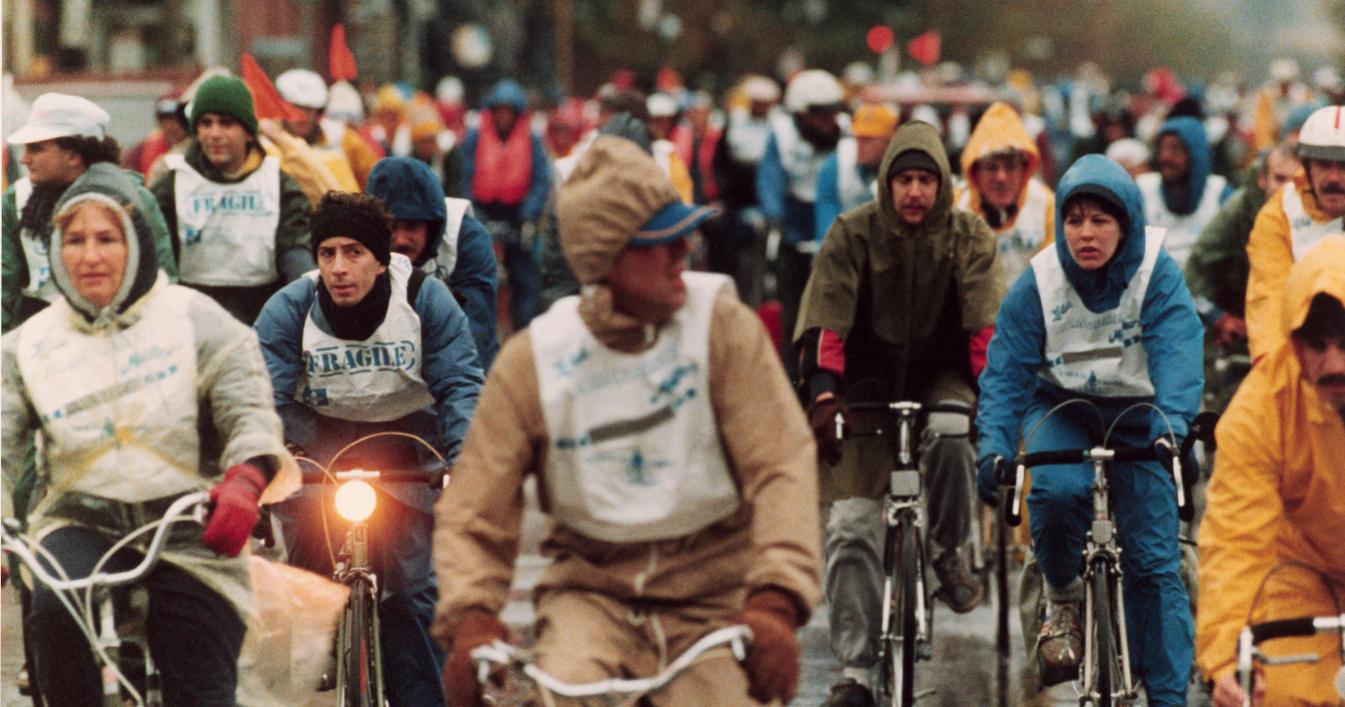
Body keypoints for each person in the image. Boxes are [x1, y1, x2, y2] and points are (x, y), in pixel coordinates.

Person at [434, 136, 821, 707]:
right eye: (661, 241)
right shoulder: (534, 360)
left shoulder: (723, 328)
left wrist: (776, 601)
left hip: (714, 596)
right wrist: (471, 618)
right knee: (564, 694)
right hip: (590, 596)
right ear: (607, 257)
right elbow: (474, 508)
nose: (684, 251)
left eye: (682, 235)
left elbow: (782, 463)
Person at [1, 163, 296, 705]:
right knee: (54, 609)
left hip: (187, 520)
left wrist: (246, 479)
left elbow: (248, 410)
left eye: (106, 238)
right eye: (75, 240)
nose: (89, 256)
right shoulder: (28, 344)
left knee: (199, 666)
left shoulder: (197, 320)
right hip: (81, 518)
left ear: (136, 242)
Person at [975, 155, 1203, 704]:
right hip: (1063, 408)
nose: (1086, 233)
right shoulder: (1041, 280)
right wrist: (995, 450)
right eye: (1074, 220)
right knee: (1055, 492)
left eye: (1100, 220)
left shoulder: (1156, 271)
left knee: (1154, 564)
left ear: (1125, 224)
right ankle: (1062, 598)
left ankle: (1168, 696)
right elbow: (1006, 373)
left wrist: (1174, 428)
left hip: (1141, 413)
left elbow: (1177, 350)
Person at [796, 120, 1004, 705]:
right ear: (886, 183)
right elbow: (826, 319)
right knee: (852, 525)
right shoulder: (851, 233)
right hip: (862, 384)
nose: (915, 193)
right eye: (904, 180)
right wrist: (823, 394)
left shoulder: (970, 236)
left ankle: (947, 549)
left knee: (950, 431)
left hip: (943, 375)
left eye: (926, 181)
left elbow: (987, 328)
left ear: (942, 185)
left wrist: (994, 400)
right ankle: (856, 671)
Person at [254, 191, 482, 707]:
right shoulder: (289, 309)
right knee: (308, 568)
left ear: (381, 260)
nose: (339, 268)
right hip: (319, 441)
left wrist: (464, 464)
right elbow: (257, 397)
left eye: (354, 252)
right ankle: (327, 650)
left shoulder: (425, 300)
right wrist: (265, 461)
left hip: (408, 443)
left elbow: (462, 386)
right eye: (327, 253)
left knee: (414, 589)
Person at [1197, 236, 1345, 707]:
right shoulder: (1260, 408)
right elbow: (1235, 540)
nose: (1333, 364)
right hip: (1301, 574)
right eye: (1317, 345)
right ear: (1292, 340)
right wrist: (1226, 655)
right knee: (1275, 691)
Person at [3, 92, 178, 332]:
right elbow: (4, 289)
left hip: (121, 332)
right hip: (40, 340)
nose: (24, 159)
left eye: (36, 149)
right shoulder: (15, 201)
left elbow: (162, 279)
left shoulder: (134, 198)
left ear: (73, 155)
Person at [150, 74, 314, 324]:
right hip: (190, 317)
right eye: (205, 123)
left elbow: (297, 256)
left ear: (249, 132)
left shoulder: (277, 184)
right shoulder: (172, 184)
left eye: (226, 123)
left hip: (262, 317)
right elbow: (156, 259)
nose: (214, 134)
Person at [1186, 142, 1301, 410]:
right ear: (1262, 179)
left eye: (1294, 181)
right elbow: (1189, 279)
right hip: (1242, 325)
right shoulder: (1237, 213)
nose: (1286, 189)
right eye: (1279, 179)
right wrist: (1217, 317)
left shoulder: (1320, 213)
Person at [366, 156, 499, 370]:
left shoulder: (467, 239)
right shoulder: (361, 242)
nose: (400, 240)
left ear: (432, 225)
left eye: (411, 226)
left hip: (460, 357)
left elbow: (477, 325)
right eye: (391, 226)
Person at [758, 68, 845, 371]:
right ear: (799, 114)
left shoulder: (846, 134)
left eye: (831, 112)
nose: (826, 120)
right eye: (817, 113)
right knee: (793, 313)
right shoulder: (781, 134)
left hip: (837, 225)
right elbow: (769, 178)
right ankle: (792, 373)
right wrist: (774, 216)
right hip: (795, 224)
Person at [1245, 105, 1345, 361]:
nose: (1334, 178)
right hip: (1304, 356)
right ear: (1307, 167)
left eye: (1344, 165)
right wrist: (1280, 371)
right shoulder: (1279, 214)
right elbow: (1268, 300)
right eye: (1323, 164)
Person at [459, 78, 552, 331]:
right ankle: (482, 330)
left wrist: (529, 214)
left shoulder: (531, 140)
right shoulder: (475, 137)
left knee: (525, 278)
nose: (503, 116)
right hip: (485, 212)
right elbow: (465, 175)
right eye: (499, 110)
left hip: (518, 214)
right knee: (478, 276)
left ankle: (523, 331)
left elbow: (541, 179)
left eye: (508, 111)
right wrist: (473, 213)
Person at [956, 100, 1057, 288]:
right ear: (975, 172)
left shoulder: (1046, 204)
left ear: (1025, 170)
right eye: (991, 168)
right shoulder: (957, 205)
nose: (1001, 177)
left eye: (1011, 167)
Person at [712, 75, 780, 305]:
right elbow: (720, 161)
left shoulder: (778, 125)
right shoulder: (734, 123)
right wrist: (723, 194)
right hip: (737, 198)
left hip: (767, 199)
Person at [1135, 115, 1232, 270]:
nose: (1165, 156)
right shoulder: (1144, 190)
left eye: (1175, 149)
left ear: (1196, 155)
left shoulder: (1219, 193)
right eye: (1161, 148)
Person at [813, 102, 898, 240]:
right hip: (848, 245)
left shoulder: (904, 167)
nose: (860, 146)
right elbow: (827, 225)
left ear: (889, 141)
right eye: (857, 138)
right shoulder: (837, 164)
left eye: (869, 139)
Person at [274, 68, 363, 191]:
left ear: (318, 112)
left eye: (308, 110)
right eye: (296, 109)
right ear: (282, 108)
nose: (302, 117)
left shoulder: (344, 139)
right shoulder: (267, 142)